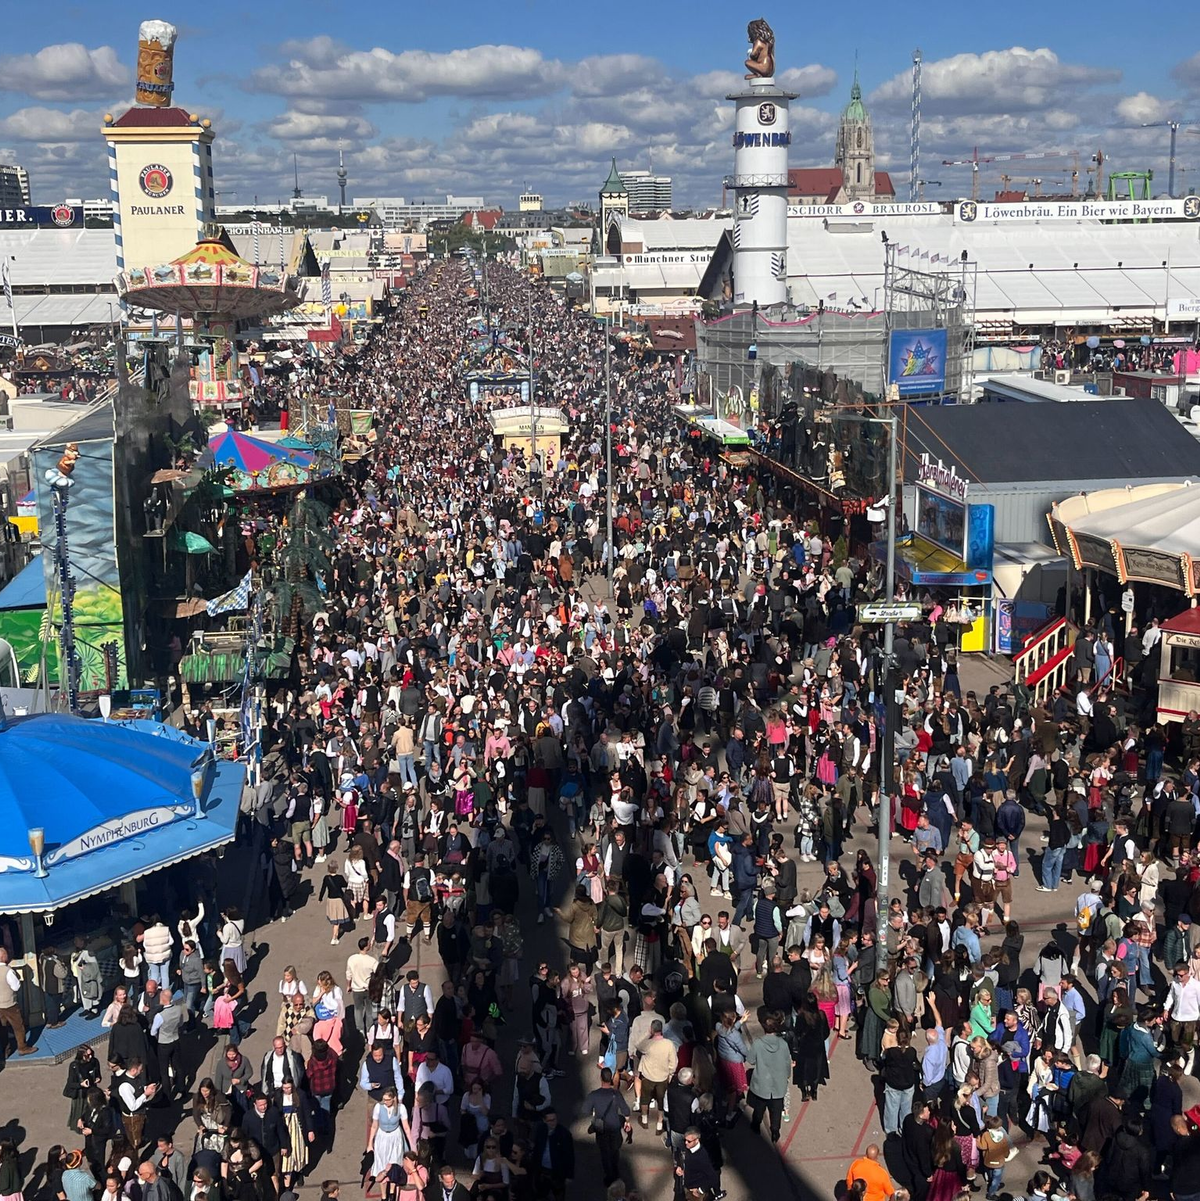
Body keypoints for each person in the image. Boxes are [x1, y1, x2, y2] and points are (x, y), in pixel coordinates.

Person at [582, 1067, 632, 1186]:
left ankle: (609, 1176)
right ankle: (615, 1172)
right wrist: (627, 1122)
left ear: (601, 1078)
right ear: (611, 1079)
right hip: (615, 1127)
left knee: (605, 1153)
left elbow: (585, 1111)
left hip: (602, 1129)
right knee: (614, 1152)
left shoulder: (594, 1095)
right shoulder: (616, 1094)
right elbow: (626, 1111)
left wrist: (594, 1112)